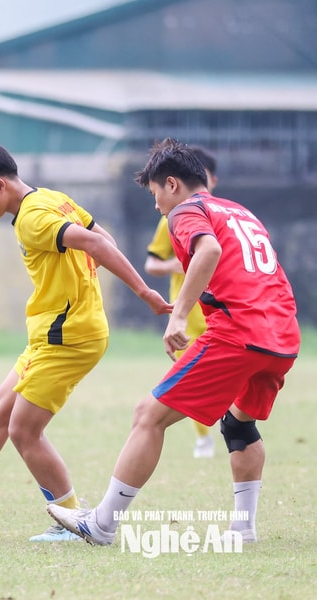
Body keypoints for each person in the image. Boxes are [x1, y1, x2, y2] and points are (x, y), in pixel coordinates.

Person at [0, 140, 170, 541]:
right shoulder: (51, 199)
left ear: (0, 185)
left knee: (23, 431)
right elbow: (99, 233)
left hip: (67, 337)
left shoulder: (32, 219)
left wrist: (143, 292)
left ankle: (75, 523)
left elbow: (93, 242)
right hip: (53, 332)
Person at [48, 138, 299, 545]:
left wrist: (179, 314)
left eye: (154, 195)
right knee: (239, 425)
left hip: (238, 332)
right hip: (283, 335)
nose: (156, 206)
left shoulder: (186, 210)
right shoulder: (239, 211)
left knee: (149, 415)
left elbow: (210, 250)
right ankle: (244, 529)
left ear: (172, 184)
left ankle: (102, 525)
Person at [144, 146, 218, 459]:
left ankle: (232, 429)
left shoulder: (219, 215)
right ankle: (205, 439)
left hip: (221, 312)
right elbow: (152, 263)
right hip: (186, 313)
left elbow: (212, 251)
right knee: (191, 380)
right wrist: (172, 266)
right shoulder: (171, 219)